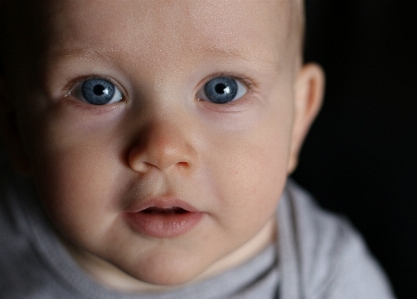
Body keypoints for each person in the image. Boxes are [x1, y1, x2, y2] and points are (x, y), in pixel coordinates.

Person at [0, 0, 395, 298]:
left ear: (298, 118)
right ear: (16, 126)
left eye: (222, 90)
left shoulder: (330, 281)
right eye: (97, 91)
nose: (163, 149)